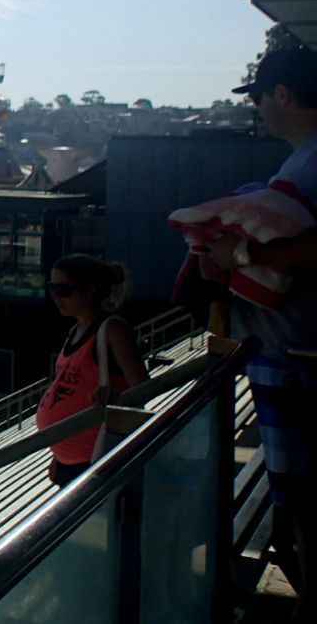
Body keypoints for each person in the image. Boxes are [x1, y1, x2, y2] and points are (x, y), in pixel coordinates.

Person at [198, 47, 317, 617]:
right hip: (287, 356)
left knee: (303, 497)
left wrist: (238, 251)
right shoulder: (301, 163)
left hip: (300, 363)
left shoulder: (313, 162)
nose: (261, 112)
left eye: (262, 98)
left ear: (283, 96)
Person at [33, 254, 149, 488]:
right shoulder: (75, 332)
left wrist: (117, 397)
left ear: (89, 291)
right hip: (68, 462)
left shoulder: (112, 330)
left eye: (63, 290)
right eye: (52, 288)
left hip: (96, 459)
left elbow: (143, 388)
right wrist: (57, 456)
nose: (55, 297)